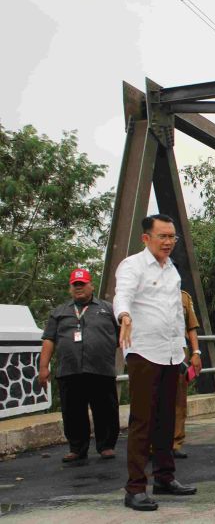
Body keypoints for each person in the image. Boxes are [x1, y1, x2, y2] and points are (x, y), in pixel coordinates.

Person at [114, 214, 200, 511]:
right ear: (146, 238)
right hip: (144, 354)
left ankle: (165, 477)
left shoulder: (172, 271)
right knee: (143, 421)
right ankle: (135, 488)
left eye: (172, 237)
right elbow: (121, 295)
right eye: (162, 236)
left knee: (167, 419)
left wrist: (183, 348)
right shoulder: (132, 266)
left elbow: (177, 313)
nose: (168, 242)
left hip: (170, 354)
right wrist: (124, 315)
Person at [39, 268, 119, 463]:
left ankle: (106, 446)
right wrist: (43, 367)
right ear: (70, 288)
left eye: (82, 284)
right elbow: (49, 340)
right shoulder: (59, 312)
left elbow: (121, 336)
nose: (79, 288)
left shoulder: (108, 309)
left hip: (101, 369)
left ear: (91, 285)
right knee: (73, 412)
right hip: (70, 370)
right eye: (75, 285)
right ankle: (77, 448)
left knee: (105, 410)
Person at [172, 288, 201, 458]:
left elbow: (191, 327)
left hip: (179, 350)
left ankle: (175, 443)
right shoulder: (146, 291)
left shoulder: (184, 297)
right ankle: (153, 445)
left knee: (178, 400)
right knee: (154, 399)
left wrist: (196, 353)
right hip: (154, 348)